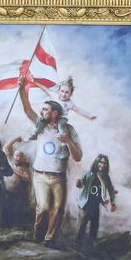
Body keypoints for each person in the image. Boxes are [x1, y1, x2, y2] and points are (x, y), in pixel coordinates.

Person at [18, 75, 83, 247]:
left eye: (45, 110)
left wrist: (68, 141)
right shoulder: (41, 125)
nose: (42, 112)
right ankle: (37, 234)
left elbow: (78, 157)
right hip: (40, 175)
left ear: (55, 114)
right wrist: (21, 89)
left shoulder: (68, 129)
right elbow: (27, 109)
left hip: (59, 177)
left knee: (58, 210)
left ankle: (49, 238)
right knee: (44, 208)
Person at [75, 154, 117, 250]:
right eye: (101, 162)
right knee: (82, 225)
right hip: (85, 204)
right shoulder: (89, 174)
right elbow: (82, 183)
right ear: (96, 162)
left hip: (95, 205)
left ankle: (90, 246)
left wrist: (113, 202)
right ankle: (77, 244)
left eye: (105, 163)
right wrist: (79, 183)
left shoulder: (106, 177)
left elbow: (110, 190)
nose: (102, 165)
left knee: (94, 226)